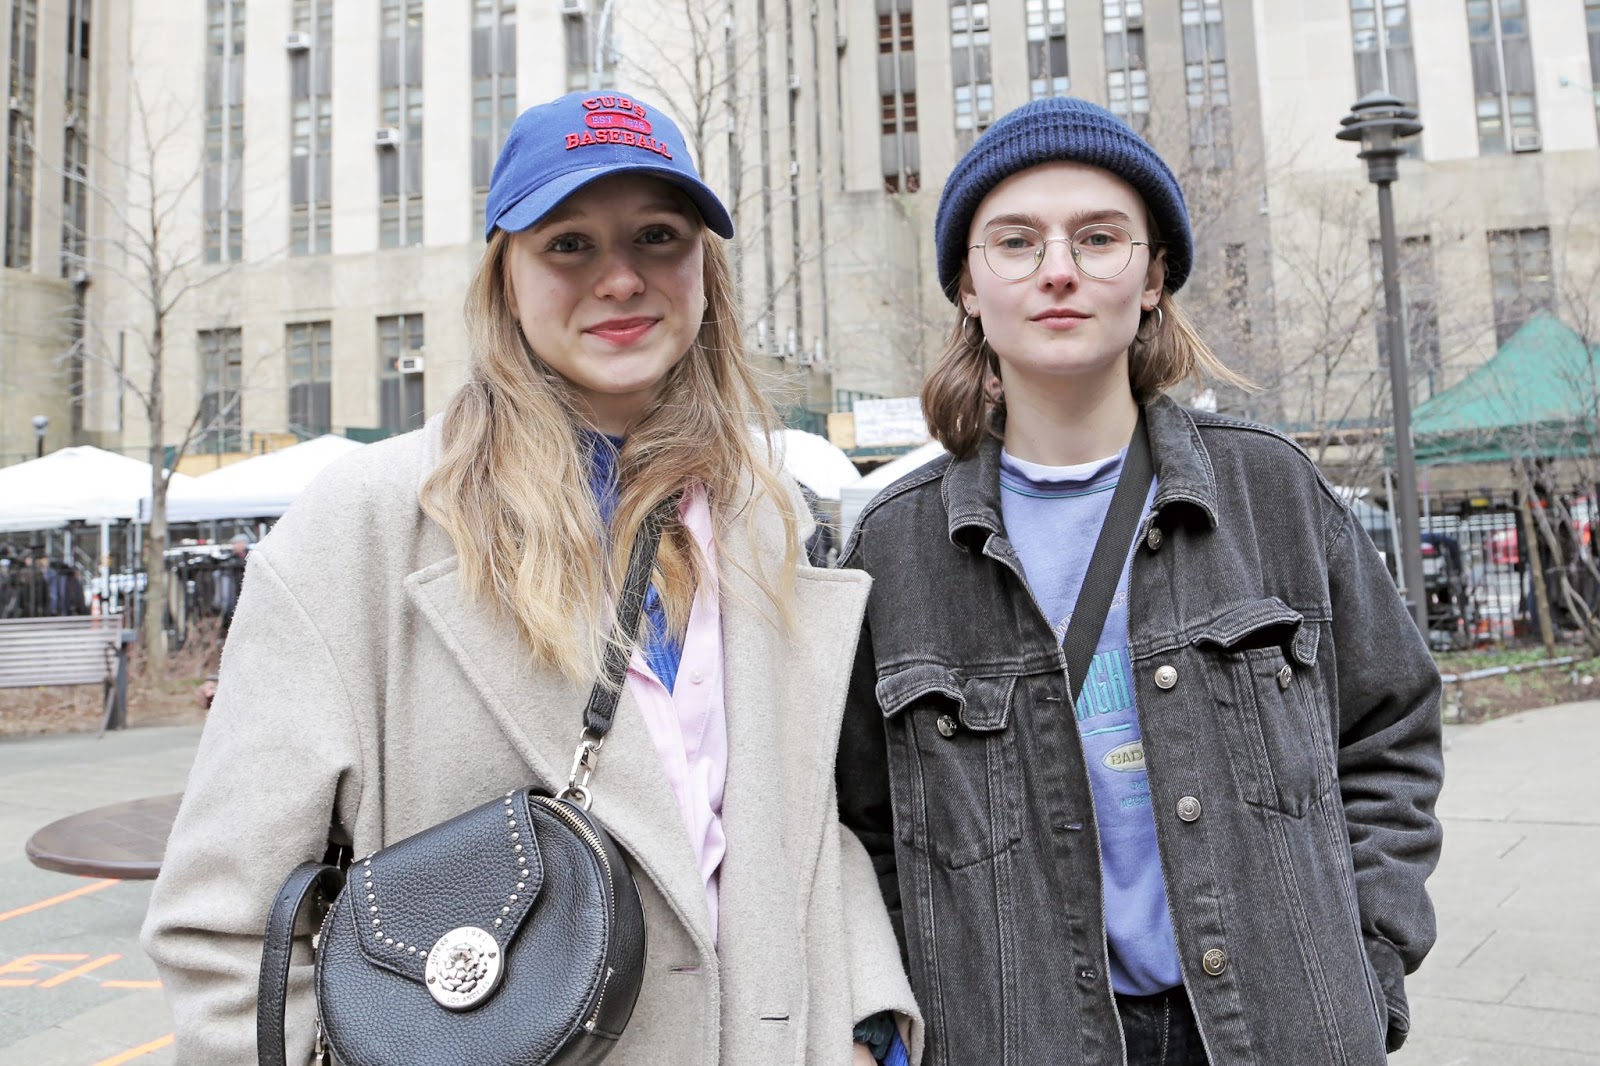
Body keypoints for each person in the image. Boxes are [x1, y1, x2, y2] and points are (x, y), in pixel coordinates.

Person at [143, 90, 920, 1065]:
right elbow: (226, 927)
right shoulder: (365, 526)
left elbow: (807, 826)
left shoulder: (767, 517)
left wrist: (863, 1023)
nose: (621, 279)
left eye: (658, 236)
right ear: (505, 278)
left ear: (705, 271)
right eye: (569, 245)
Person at [836, 96, 1443, 1066]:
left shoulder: (1269, 492)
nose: (1059, 269)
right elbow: (861, 830)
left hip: (1279, 1031)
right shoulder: (893, 548)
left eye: (1098, 237)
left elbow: (1391, 731)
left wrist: (1367, 960)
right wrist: (908, 1012)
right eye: (1016, 241)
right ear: (967, 285)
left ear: (1154, 274)